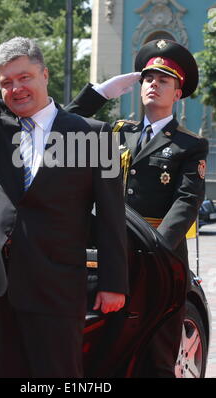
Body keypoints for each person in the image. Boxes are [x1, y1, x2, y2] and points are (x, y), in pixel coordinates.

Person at [0, 0, 129, 378]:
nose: (16, 89)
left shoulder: (95, 136)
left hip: (56, 283)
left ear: (45, 74)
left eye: (24, 77)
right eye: (6, 82)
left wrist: (113, 283)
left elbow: (112, 217)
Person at [66, 38, 209, 378]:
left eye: (163, 81)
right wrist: (98, 94)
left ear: (178, 94)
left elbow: (186, 201)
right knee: (104, 349)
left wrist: (154, 249)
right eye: (147, 79)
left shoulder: (189, 145)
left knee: (156, 352)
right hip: (108, 257)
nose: (153, 85)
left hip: (159, 258)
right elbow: (61, 125)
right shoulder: (116, 133)